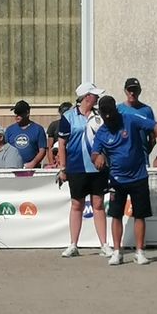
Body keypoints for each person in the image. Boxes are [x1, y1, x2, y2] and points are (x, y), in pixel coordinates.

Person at [91, 95, 157, 266]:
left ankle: (139, 252)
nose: (108, 117)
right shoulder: (102, 133)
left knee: (140, 215)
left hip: (139, 176)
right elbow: (94, 152)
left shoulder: (130, 119)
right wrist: (97, 158)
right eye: (105, 114)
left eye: (111, 112)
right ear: (101, 114)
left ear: (116, 110)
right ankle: (117, 252)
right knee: (116, 215)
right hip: (117, 179)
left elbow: (156, 125)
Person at [58, 82, 112, 258]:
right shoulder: (68, 117)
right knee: (77, 205)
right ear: (87, 97)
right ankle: (73, 244)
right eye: (94, 95)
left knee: (98, 205)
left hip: (98, 168)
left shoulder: (100, 116)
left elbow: (106, 139)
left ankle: (104, 244)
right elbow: (62, 144)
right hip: (76, 167)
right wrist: (62, 168)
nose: (97, 98)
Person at [117, 77, 156, 165]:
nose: (132, 93)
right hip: (123, 157)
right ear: (125, 91)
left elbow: (152, 137)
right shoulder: (118, 109)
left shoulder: (147, 110)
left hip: (141, 158)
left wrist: (145, 150)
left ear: (140, 91)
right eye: (129, 90)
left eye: (135, 90)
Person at [5, 100, 47, 168]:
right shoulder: (10, 130)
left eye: (19, 113)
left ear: (27, 113)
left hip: (31, 168)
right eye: (15, 112)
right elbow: (5, 149)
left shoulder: (38, 129)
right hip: (13, 166)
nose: (17, 115)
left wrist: (33, 163)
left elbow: (42, 150)